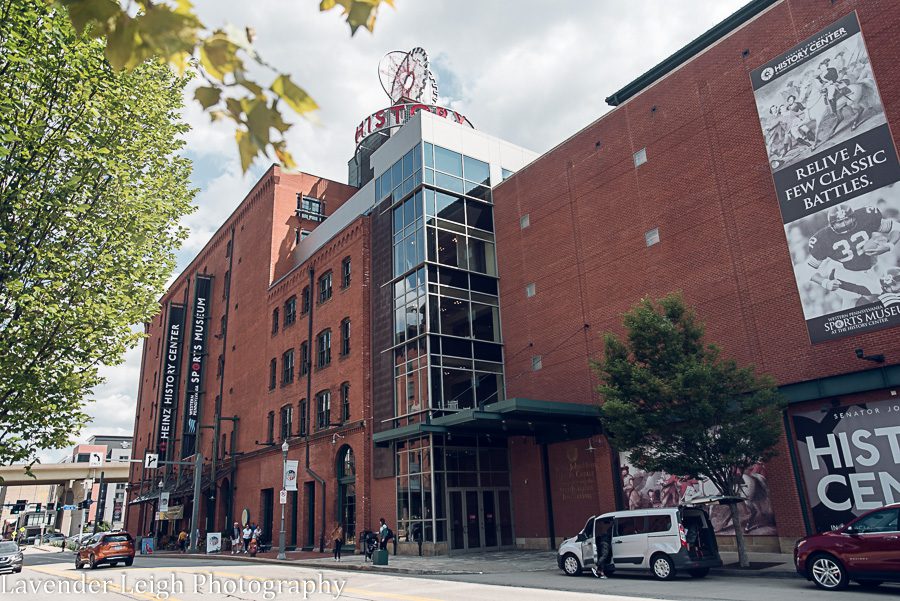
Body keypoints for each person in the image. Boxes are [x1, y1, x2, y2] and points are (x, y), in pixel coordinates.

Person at [807, 204, 899, 307]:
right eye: (839, 222)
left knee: (851, 306)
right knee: (879, 295)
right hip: (845, 274)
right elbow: (808, 269)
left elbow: (895, 226)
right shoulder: (823, 239)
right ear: (831, 224)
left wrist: (889, 245)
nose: (844, 224)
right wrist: (824, 282)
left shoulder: (865, 217)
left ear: (853, 216)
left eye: (847, 219)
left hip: (870, 267)